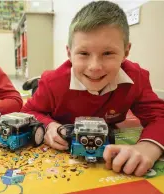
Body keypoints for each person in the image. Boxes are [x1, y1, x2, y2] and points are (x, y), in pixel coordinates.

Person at [22, 1, 164, 176]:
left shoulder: (137, 78)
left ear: (126, 52)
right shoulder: (52, 82)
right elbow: (29, 111)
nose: (95, 67)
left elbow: (159, 115)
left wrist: (148, 146)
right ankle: (35, 83)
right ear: (69, 53)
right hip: (55, 99)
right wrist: (49, 126)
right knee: (41, 91)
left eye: (108, 53)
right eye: (83, 53)